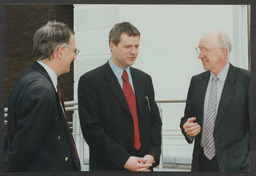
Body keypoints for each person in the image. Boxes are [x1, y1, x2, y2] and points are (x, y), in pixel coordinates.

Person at [78, 22, 162, 171]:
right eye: (127, 46)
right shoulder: (90, 81)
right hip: (109, 167)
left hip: (144, 165)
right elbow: (92, 130)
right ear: (112, 45)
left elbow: (155, 121)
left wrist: (152, 154)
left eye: (136, 46)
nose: (133, 51)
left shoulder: (144, 79)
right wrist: (124, 160)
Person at [4, 21, 81, 171]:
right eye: (74, 51)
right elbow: (22, 150)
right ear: (60, 52)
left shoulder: (31, 78)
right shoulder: (41, 90)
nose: (74, 57)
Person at [180, 31, 250, 172]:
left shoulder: (247, 80)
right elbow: (187, 117)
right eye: (199, 50)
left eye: (205, 50)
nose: (200, 55)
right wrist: (187, 128)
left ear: (223, 52)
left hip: (236, 166)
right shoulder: (196, 81)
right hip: (201, 164)